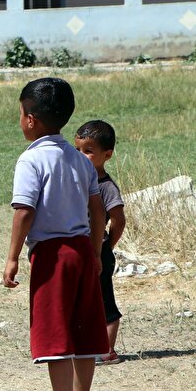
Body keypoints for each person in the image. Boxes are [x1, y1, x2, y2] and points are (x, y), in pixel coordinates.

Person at [3, 77, 109, 391]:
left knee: (57, 335)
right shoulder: (80, 160)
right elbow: (98, 209)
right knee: (82, 332)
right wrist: (95, 252)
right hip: (81, 249)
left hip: (53, 254)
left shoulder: (31, 159)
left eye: (20, 113)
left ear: (30, 119)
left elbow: (24, 212)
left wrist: (12, 258)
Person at [75, 120, 126, 366]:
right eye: (78, 150)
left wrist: (108, 246)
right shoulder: (76, 182)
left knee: (104, 301)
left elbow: (118, 219)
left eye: (88, 151)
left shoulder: (106, 187)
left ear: (107, 155)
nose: (81, 156)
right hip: (79, 251)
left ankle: (108, 350)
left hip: (99, 250)